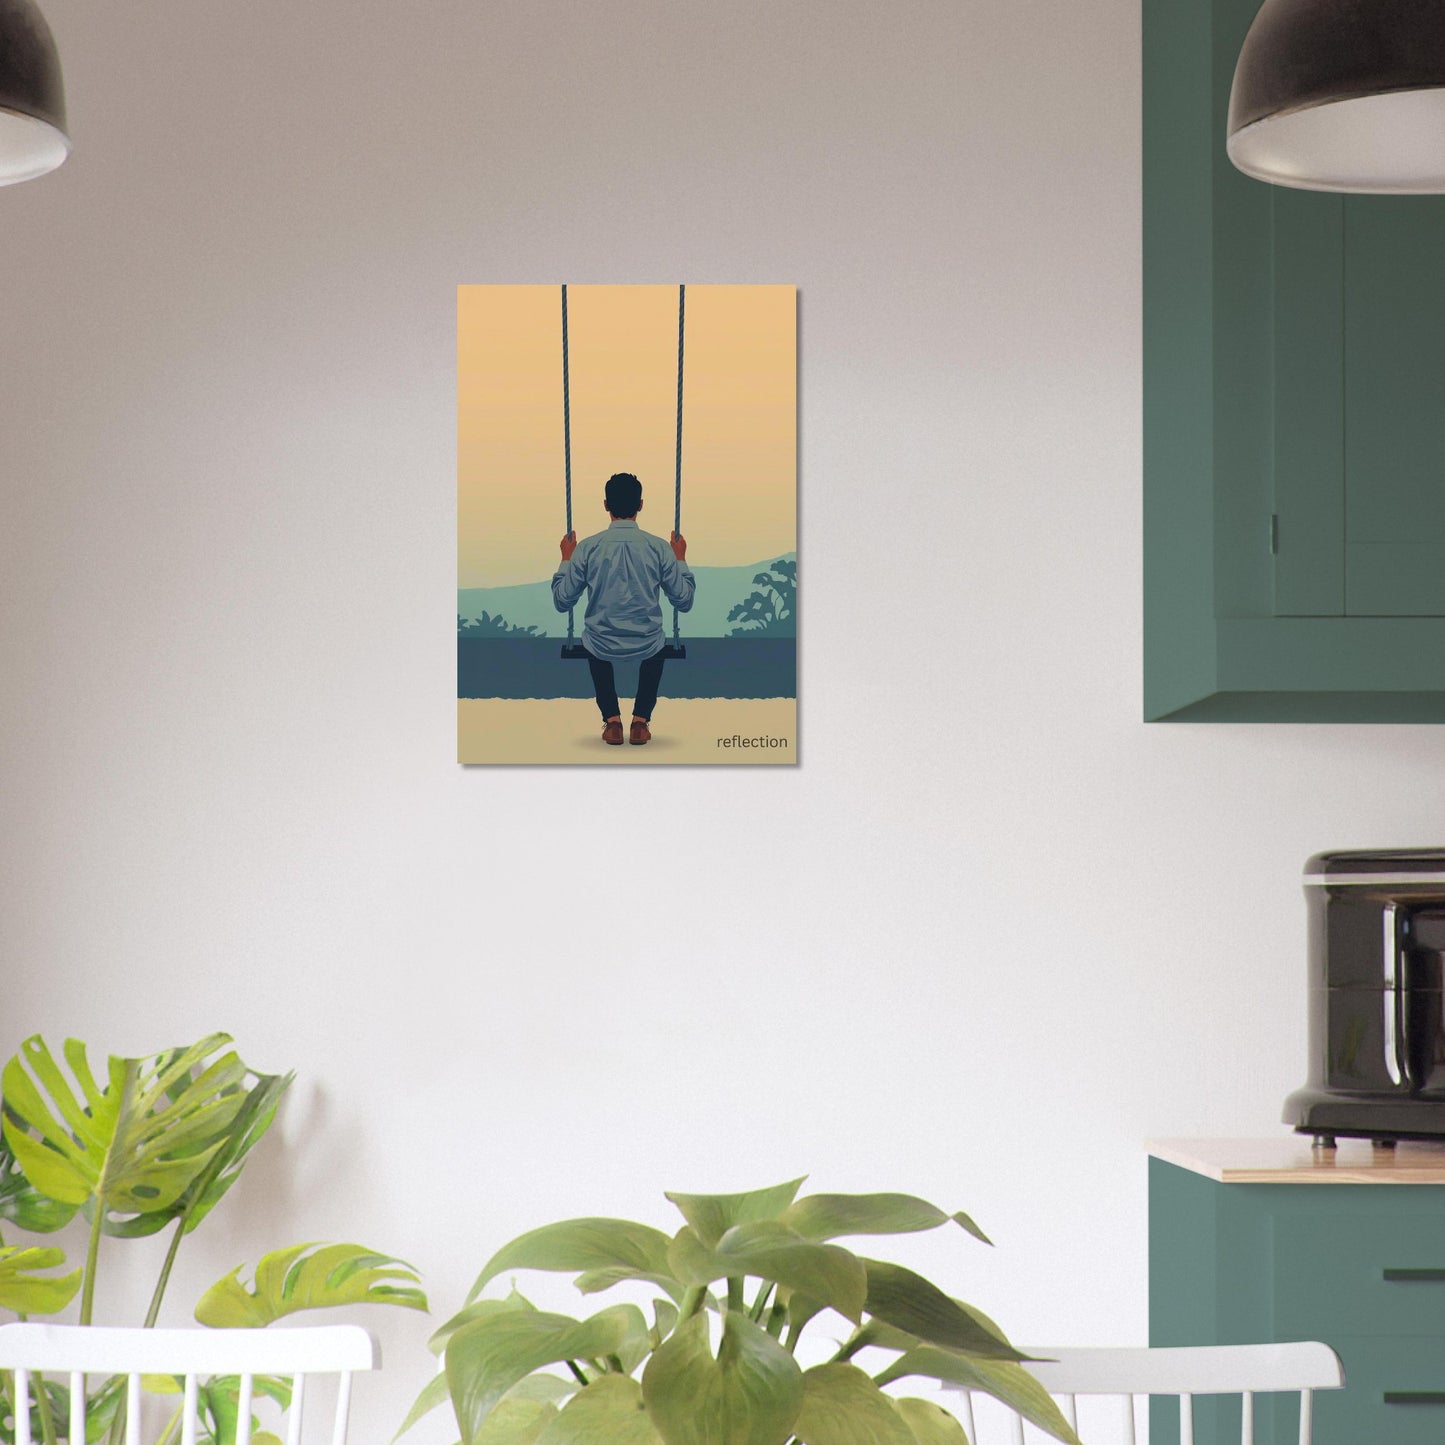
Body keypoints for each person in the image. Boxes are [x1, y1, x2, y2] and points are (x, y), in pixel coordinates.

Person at [551, 472, 695, 746]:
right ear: (640, 505)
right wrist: (681, 560)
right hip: (647, 643)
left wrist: (566, 560)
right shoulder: (660, 549)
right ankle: (640, 721)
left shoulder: (587, 549)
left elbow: (562, 601)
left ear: (606, 505)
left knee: (593, 637)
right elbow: (684, 601)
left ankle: (613, 721)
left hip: (602, 643)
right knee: (658, 640)